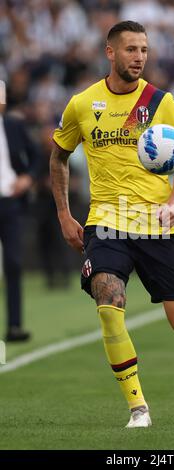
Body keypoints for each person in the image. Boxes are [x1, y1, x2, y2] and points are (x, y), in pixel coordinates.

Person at [50, 21, 174, 428]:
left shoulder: (160, 101)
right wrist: (63, 213)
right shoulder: (82, 103)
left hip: (157, 223)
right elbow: (58, 157)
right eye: (130, 49)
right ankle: (138, 407)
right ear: (110, 53)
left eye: (144, 49)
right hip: (105, 222)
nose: (139, 57)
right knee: (108, 302)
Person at [0, 81, 39, 342]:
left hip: (9, 202)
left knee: (13, 264)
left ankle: (14, 326)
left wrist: (28, 178)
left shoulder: (13, 126)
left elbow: (36, 155)